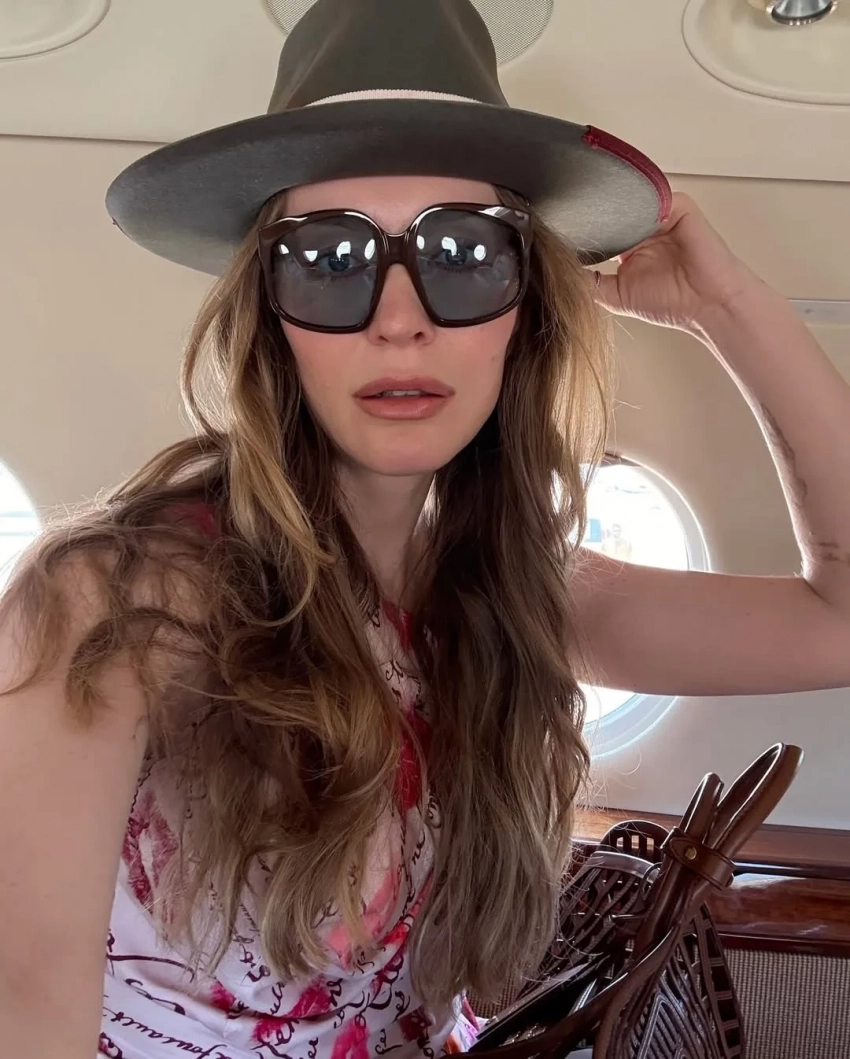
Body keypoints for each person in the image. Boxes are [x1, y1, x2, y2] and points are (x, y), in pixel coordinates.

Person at [1, 2, 848, 1058]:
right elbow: (23, 1009)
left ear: (524, 309)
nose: (398, 318)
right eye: (328, 259)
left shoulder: (520, 593)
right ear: (270, 314)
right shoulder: (112, 607)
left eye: (463, 253)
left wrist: (726, 306)